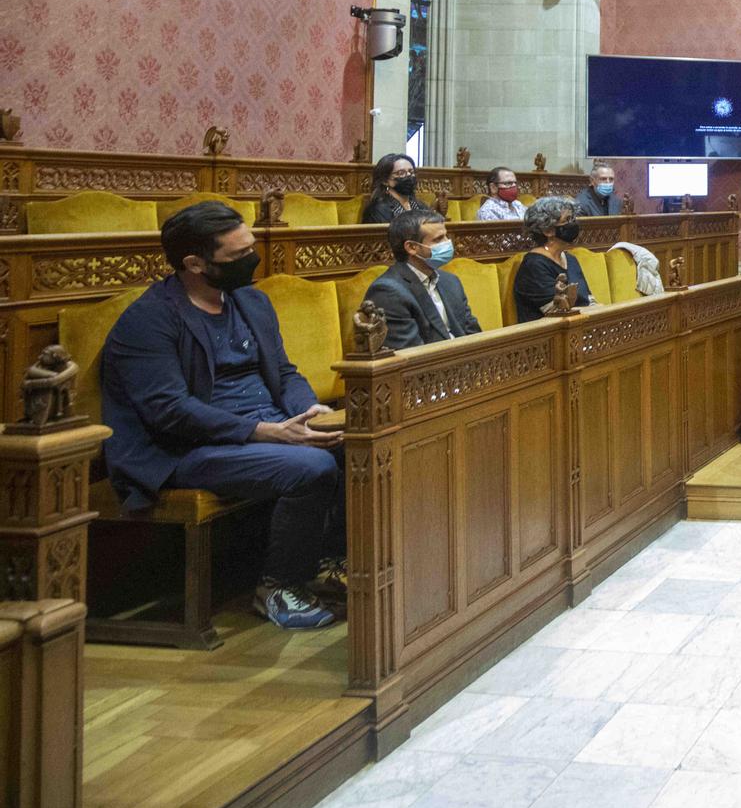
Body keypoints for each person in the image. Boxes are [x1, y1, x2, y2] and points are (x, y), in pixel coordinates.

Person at [98, 201, 345, 630]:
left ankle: (335, 562)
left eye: (250, 247)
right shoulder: (149, 320)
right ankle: (278, 587)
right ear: (195, 263)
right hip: (185, 449)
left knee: (354, 443)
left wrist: (308, 411)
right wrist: (264, 432)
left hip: (261, 429)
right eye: (237, 256)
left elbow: (284, 371)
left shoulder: (250, 300)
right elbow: (169, 413)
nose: (251, 260)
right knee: (313, 466)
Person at [362, 208, 481, 348]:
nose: (448, 243)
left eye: (446, 236)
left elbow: (474, 334)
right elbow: (412, 355)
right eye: (438, 239)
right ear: (412, 247)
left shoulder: (451, 281)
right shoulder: (388, 292)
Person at [513, 196, 596, 322]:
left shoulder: (571, 259)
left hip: (581, 325)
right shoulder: (534, 265)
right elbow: (556, 313)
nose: (573, 224)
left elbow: (588, 300)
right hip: (549, 335)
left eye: (573, 219)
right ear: (548, 231)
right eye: (567, 220)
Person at [359, 153, 434, 225]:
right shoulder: (377, 210)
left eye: (411, 172)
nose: (408, 175)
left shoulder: (421, 206)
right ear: (385, 181)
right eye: (401, 173)